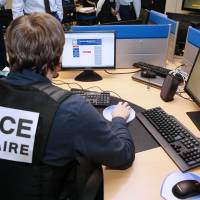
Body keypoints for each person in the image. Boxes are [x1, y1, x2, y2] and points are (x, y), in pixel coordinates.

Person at [0, 13, 135, 200]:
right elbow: (122, 156)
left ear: (9, 53)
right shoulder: (70, 109)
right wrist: (119, 119)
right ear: (57, 58)